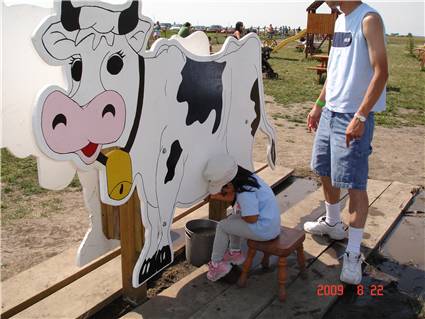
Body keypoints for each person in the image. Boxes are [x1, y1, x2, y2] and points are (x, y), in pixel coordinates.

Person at [304, 1, 388, 285]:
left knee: (354, 183)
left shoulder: (369, 19)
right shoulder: (339, 20)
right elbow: (336, 69)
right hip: (330, 112)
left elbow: (381, 72)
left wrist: (362, 116)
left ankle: (353, 255)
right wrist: (318, 105)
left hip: (354, 116)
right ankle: (332, 223)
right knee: (325, 170)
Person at [203, 154, 281, 281]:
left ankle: (217, 264)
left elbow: (251, 218)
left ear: (229, 185)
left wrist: (240, 215)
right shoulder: (249, 178)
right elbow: (235, 198)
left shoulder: (245, 193)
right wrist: (216, 197)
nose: (222, 192)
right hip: (271, 224)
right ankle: (235, 253)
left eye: (223, 189)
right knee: (232, 220)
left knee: (222, 226)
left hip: (263, 229)